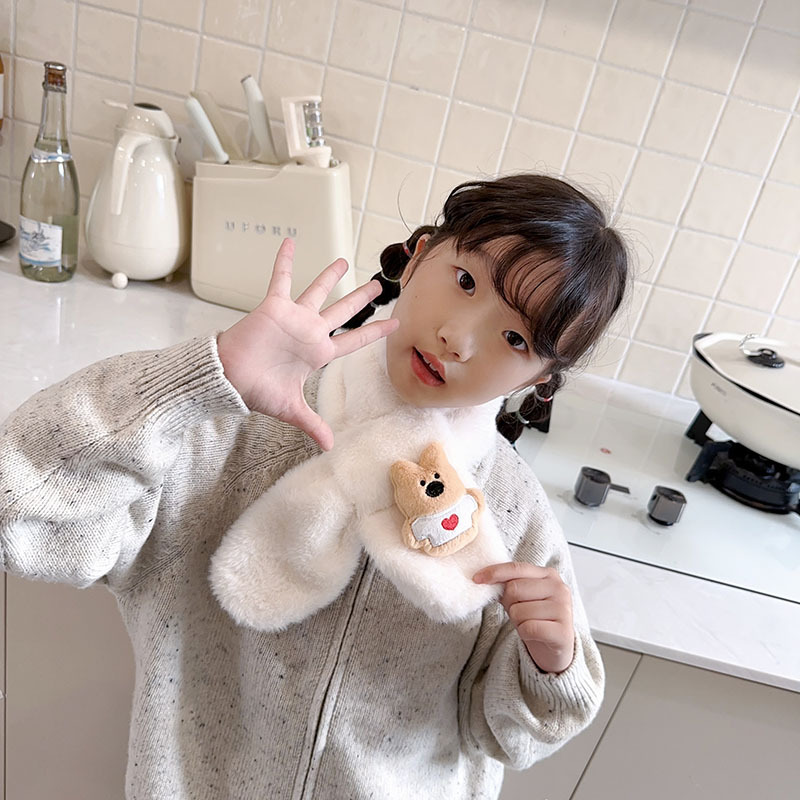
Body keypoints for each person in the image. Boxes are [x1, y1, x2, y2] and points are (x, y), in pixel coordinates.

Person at [0, 173, 629, 800]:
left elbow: (512, 737)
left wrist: (552, 666)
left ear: (541, 380)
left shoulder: (513, 519)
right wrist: (198, 379)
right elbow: (17, 507)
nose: (458, 340)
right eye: (465, 281)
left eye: (516, 339)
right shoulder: (237, 423)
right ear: (418, 256)